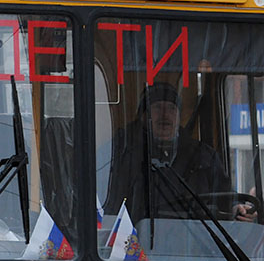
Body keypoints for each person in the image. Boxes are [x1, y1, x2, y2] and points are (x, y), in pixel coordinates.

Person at [104, 82, 254, 222]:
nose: (165, 115)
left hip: (196, 244)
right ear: (143, 116)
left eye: (171, 108)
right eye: (157, 108)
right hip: (133, 244)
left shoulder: (204, 156)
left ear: (179, 117)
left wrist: (236, 207)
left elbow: (225, 197)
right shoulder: (119, 153)